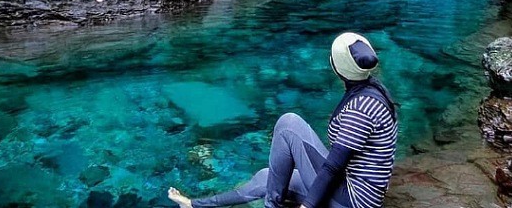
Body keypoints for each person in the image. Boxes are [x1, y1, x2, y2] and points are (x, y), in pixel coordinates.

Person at [168, 32, 398, 208]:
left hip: (354, 199)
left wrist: (307, 206)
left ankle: (272, 205)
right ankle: (195, 204)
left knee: (288, 124)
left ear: (335, 67)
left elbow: (333, 167)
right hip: (354, 191)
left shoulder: (361, 107)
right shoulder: (372, 89)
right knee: (266, 177)